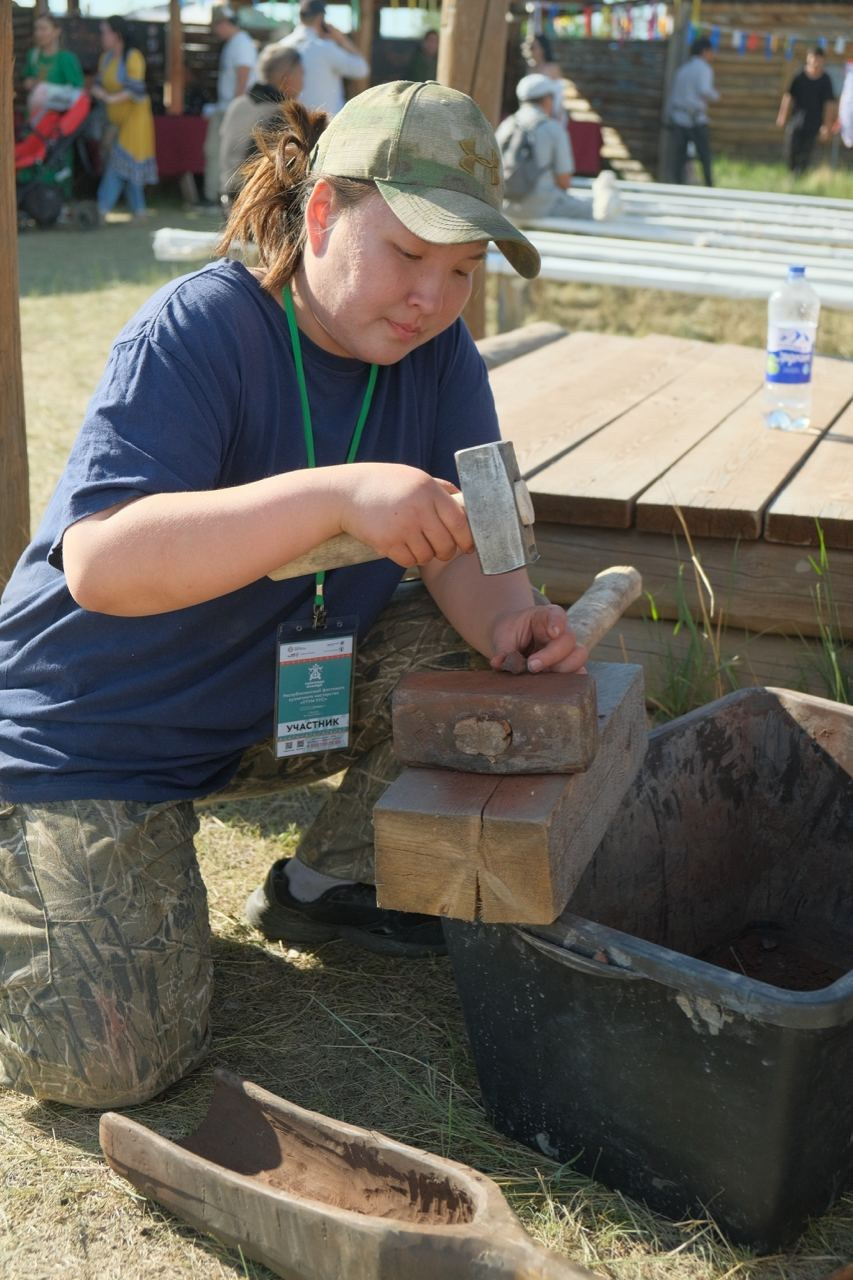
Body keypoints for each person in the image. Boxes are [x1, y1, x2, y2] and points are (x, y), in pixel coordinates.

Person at [0, 79, 588, 1110]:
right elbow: (101, 563)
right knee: (111, 1064)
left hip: (250, 710)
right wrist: (340, 495)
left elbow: (481, 538)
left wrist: (514, 620)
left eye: (462, 269)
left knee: (468, 666)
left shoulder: (440, 353)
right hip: (80, 739)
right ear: (321, 213)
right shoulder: (198, 329)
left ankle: (329, 885)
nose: (432, 298)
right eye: (408, 254)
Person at [496, 72, 591, 221]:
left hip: (504, 205)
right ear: (547, 99)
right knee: (593, 209)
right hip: (542, 207)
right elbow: (564, 181)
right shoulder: (553, 129)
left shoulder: (506, 125)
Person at [91, 15, 158, 221]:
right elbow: (97, 84)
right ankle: (139, 210)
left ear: (116, 34)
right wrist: (101, 93)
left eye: (104, 32)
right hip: (115, 120)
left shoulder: (133, 57)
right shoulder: (106, 58)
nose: (102, 36)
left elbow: (135, 90)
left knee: (119, 162)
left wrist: (108, 97)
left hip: (136, 119)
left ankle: (100, 209)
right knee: (127, 165)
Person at [219, 44, 304, 204]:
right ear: (287, 78)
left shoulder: (237, 105)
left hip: (228, 198)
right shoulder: (282, 113)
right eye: (302, 74)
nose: (303, 83)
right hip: (258, 205)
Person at [203, 5, 259, 205]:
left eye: (216, 25)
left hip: (232, 109)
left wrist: (235, 108)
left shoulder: (241, 43)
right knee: (218, 152)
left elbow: (243, 77)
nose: (215, 31)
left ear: (225, 23)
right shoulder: (236, 43)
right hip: (228, 107)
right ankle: (219, 196)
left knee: (222, 153)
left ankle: (220, 197)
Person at [278, 0, 368, 116]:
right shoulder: (326, 48)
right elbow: (361, 69)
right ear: (320, 18)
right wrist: (342, 40)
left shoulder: (281, 45)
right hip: (327, 124)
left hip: (293, 122)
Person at [665, 35, 719, 186]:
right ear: (704, 51)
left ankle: (676, 185)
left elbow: (673, 94)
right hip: (695, 119)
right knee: (704, 156)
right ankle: (708, 186)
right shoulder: (704, 69)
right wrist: (716, 96)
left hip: (679, 118)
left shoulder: (683, 70)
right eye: (710, 51)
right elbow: (704, 90)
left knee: (679, 158)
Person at [776, 47, 838, 176]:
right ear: (808, 58)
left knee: (807, 151)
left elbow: (829, 104)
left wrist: (826, 126)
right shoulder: (799, 76)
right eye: (813, 57)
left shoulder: (825, 80)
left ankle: (801, 175)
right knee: (792, 148)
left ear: (823, 61)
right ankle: (791, 174)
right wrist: (782, 116)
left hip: (814, 122)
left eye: (818, 59)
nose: (815, 61)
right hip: (796, 120)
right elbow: (788, 96)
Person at [22, 10, 84, 121]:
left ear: (56, 31)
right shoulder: (33, 55)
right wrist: (30, 82)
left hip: (56, 119)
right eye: (36, 29)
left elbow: (77, 90)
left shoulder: (66, 58)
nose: (38, 33)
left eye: (43, 29)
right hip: (34, 115)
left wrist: (46, 89)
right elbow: (26, 80)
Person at [521, 31, 567, 127]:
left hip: (552, 115)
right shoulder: (529, 69)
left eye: (533, 46)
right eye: (528, 45)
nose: (530, 49)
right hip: (531, 116)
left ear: (543, 49)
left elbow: (558, 94)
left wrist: (553, 115)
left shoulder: (552, 68)